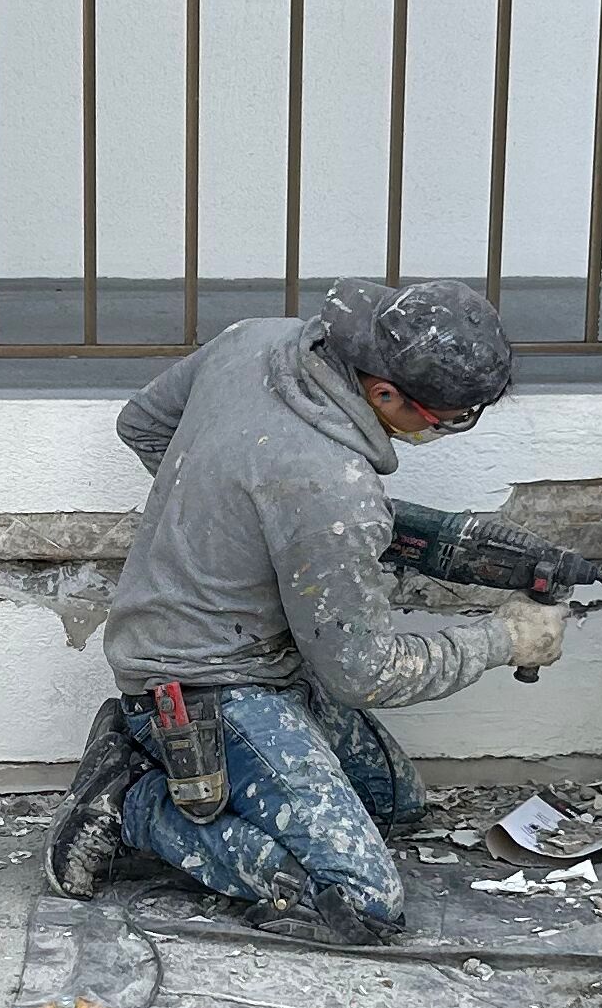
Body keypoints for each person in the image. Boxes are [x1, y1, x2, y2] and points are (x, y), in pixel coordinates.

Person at [45, 280, 566, 935]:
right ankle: (134, 803)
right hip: (202, 684)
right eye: (444, 419)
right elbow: (365, 673)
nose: (448, 429)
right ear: (382, 392)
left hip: (262, 658)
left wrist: (237, 521)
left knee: (395, 803)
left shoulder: (258, 337)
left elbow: (142, 423)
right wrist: (502, 639)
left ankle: (151, 761)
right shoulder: (330, 485)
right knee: (358, 900)